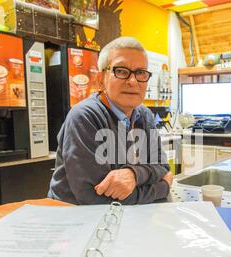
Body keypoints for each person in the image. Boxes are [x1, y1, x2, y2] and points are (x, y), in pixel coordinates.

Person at [48, 37, 173, 205]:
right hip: (75, 217)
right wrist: (162, 187)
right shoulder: (85, 117)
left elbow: (161, 166)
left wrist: (134, 174)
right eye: (121, 71)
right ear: (101, 79)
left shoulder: (144, 115)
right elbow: (95, 197)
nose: (133, 81)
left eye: (141, 72)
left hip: (125, 215)